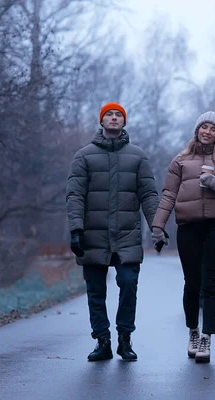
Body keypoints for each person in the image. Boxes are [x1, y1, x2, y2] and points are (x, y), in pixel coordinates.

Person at [66, 102, 159, 362]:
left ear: (124, 122)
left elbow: (149, 195)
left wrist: (157, 228)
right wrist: (76, 229)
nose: (114, 118)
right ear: (102, 121)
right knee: (96, 291)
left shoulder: (138, 156)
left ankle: (125, 339)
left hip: (127, 235)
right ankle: (102, 340)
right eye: (110, 115)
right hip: (92, 235)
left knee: (128, 284)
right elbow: (75, 195)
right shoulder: (83, 156)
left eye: (119, 115)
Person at [151, 111, 215, 363]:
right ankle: (193, 331)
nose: (207, 132)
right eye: (204, 127)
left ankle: (206, 338)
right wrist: (158, 226)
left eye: (213, 129)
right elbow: (168, 194)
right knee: (192, 284)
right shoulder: (179, 161)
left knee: (212, 285)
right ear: (197, 130)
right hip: (188, 228)